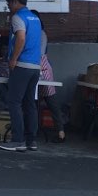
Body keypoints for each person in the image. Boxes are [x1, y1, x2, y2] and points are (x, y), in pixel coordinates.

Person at [0, 0, 42, 153]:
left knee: (14, 102)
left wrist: (13, 59)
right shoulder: (35, 18)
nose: (8, 7)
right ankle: (31, 140)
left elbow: (21, 38)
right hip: (35, 66)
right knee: (29, 103)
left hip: (22, 65)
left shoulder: (18, 17)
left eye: (9, 3)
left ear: (15, 1)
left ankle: (17, 140)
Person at [34, 11, 65, 143]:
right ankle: (33, 129)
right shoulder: (33, 33)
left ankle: (61, 132)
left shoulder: (41, 34)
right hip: (36, 67)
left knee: (51, 101)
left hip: (43, 68)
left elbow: (40, 54)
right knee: (34, 101)